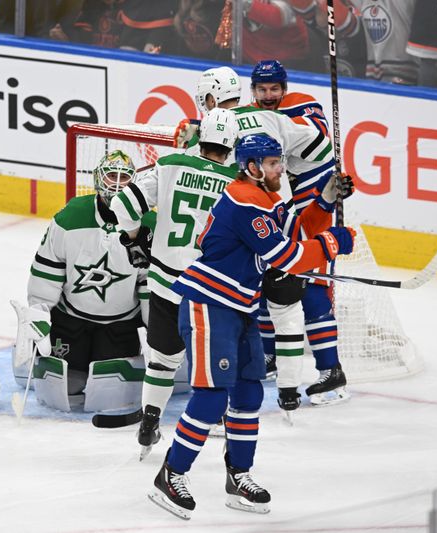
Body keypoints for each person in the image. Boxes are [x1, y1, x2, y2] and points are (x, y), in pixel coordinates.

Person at [148, 133, 357, 519]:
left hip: (241, 306)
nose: (281, 168)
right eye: (275, 163)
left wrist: (325, 200)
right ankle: (171, 474)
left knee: (247, 396)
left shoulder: (266, 199)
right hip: (210, 305)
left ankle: (238, 476)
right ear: (253, 167)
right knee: (211, 398)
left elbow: (295, 231)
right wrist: (331, 244)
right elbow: (286, 254)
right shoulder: (245, 200)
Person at [136, 66, 336, 454]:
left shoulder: (191, 146)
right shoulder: (268, 125)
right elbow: (319, 150)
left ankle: (164, 421)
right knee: (278, 319)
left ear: (208, 100)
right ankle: (288, 394)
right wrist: (318, 202)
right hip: (253, 255)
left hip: (196, 270)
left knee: (180, 354)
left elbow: (154, 196)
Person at [111, 107, 239, 459]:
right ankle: (225, 425)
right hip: (211, 289)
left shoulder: (169, 166)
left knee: (163, 360)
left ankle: (149, 424)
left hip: (166, 282)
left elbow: (122, 204)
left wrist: (135, 238)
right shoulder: (238, 183)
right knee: (219, 361)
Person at [12, 150, 151, 412]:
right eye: (112, 176)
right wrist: (38, 316)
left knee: (112, 396)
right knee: (64, 390)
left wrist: (157, 329)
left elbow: (149, 285)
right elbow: (47, 272)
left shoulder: (147, 223)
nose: (118, 184)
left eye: (125, 178)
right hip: (71, 321)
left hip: (119, 325)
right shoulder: (70, 216)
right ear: (98, 180)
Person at [250, 59, 353, 409]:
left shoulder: (303, 104)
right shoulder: (252, 116)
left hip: (315, 215)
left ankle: (331, 370)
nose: (268, 96)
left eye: (274, 89)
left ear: (284, 87)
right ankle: (270, 356)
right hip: (278, 218)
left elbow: (315, 139)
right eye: (262, 90)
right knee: (268, 287)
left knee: (312, 292)